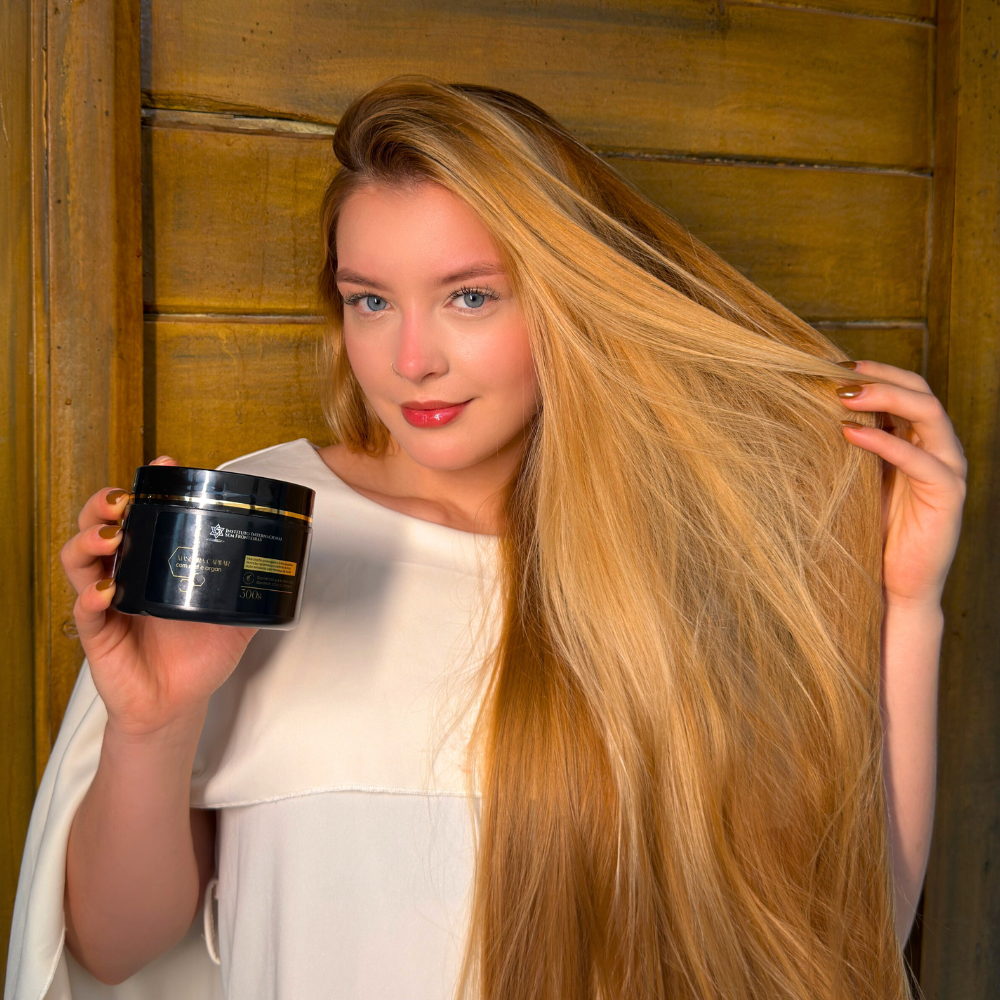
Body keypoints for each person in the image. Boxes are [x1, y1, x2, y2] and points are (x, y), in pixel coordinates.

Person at [6, 77, 966, 1000]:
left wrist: (909, 603)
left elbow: (851, 928)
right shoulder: (258, 532)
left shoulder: (686, 562)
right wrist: (155, 722)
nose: (411, 361)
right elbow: (115, 949)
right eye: (370, 299)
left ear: (571, 298)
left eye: (470, 296)